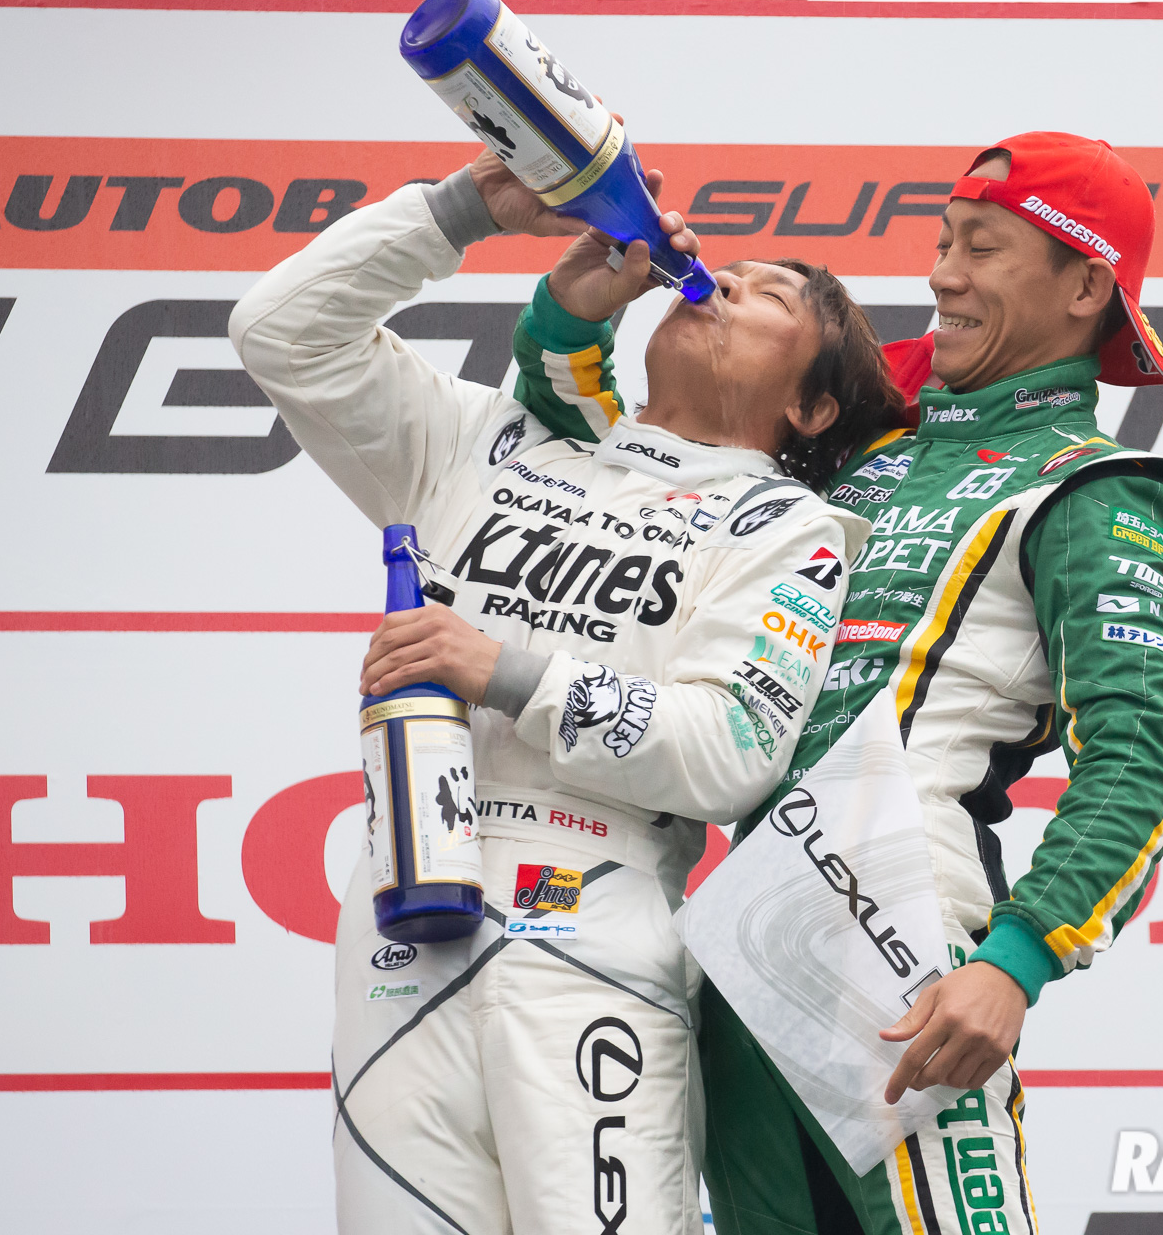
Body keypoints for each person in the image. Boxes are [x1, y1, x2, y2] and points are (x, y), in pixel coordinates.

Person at [505, 131, 1163, 1235]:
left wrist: (1017, 961)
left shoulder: (1098, 487)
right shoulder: (869, 451)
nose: (943, 275)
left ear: (1085, 288)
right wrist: (569, 320)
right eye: (944, 241)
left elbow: (1136, 756)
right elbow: (630, 470)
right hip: (740, 934)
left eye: (983, 248)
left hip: (902, 940)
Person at [230, 145, 901, 1235]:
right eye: (730, 271)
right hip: (403, 916)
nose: (725, 282)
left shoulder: (788, 530)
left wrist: (503, 670)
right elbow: (281, 333)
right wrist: (465, 211)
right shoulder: (488, 441)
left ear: (813, 409)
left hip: (594, 921)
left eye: (770, 297)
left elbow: (730, 749)